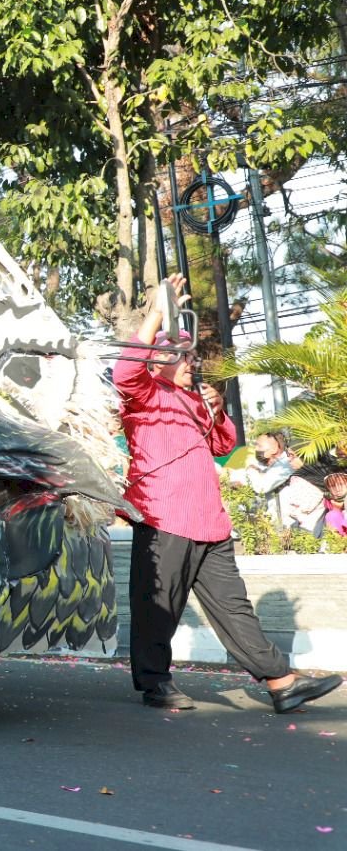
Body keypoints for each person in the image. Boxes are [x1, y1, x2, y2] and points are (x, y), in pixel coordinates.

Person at [116, 274, 340, 713]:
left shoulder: (194, 399)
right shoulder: (142, 394)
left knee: (235, 608)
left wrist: (216, 411)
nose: (189, 362)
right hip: (164, 516)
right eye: (178, 355)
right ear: (157, 361)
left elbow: (222, 445)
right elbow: (125, 368)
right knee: (157, 606)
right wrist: (158, 311)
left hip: (210, 521)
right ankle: (155, 683)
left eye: (191, 355)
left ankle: (282, 682)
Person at [324, 474, 347, 538]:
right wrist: (337, 509)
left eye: (340, 484)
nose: (337, 489)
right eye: (333, 486)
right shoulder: (331, 506)